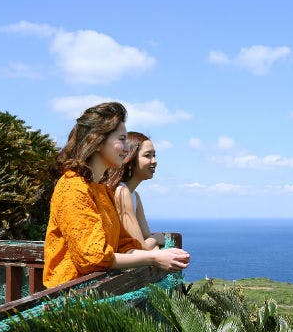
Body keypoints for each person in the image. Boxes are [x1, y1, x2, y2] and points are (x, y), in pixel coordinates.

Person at [43, 102, 189, 288]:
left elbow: (124, 246)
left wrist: (159, 256)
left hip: (93, 295)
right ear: (96, 141)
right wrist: (153, 257)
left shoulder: (101, 189)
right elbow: (93, 257)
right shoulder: (73, 187)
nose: (126, 149)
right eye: (121, 139)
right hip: (69, 298)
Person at [107, 132, 164, 250]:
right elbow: (139, 247)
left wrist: (151, 242)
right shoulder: (121, 192)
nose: (154, 161)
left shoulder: (134, 195)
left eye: (154, 155)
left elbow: (145, 237)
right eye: (147, 155)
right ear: (130, 158)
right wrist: (156, 239)